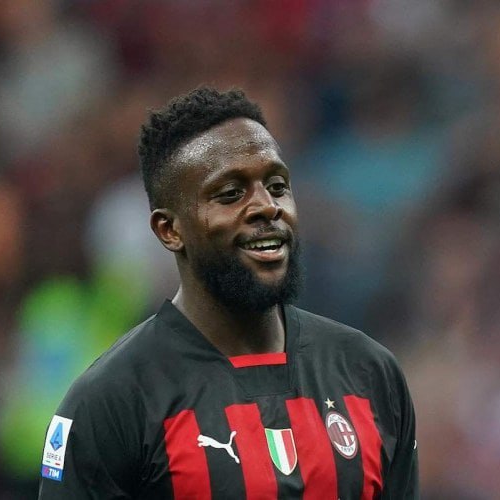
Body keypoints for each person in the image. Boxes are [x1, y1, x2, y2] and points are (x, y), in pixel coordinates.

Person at [38, 87, 419, 499]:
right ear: (170, 230)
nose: (267, 206)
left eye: (277, 186)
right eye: (231, 194)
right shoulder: (113, 401)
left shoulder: (369, 373)